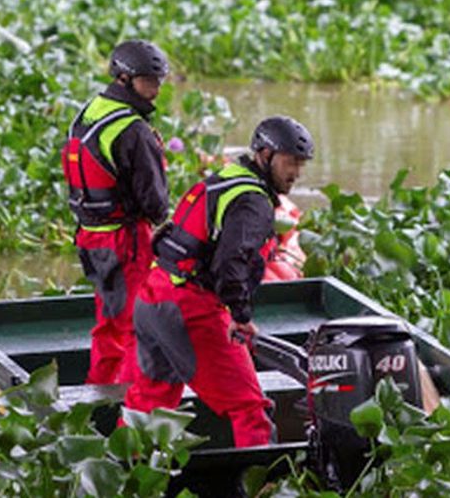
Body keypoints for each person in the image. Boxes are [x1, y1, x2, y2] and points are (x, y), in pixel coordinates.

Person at [123, 116, 315, 447]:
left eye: (300, 164)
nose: (295, 173)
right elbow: (232, 263)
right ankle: (259, 486)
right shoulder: (254, 202)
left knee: (149, 404)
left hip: (153, 298)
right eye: (289, 162)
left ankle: (124, 479)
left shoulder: (225, 178)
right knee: (250, 409)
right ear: (265, 155)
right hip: (188, 307)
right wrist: (240, 316)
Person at [62, 39, 170, 384]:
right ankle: (122, 400)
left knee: (109, 320)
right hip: (125, 241)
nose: (154, 90)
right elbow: (155, 205)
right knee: (133, 326)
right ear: (124, 78)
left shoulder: (90, 110)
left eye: (158, 81)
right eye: (147, 81)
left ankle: (102, 391)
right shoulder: (134, 130)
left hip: (90, 236)